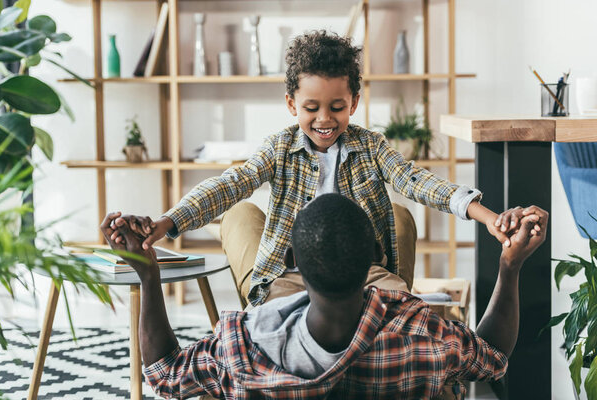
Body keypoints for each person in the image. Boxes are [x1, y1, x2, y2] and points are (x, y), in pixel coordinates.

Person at [109, 31, 537, 307]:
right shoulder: (279, 147)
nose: (324, 119)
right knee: (247, 232)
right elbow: (230, 185)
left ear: (353, 102)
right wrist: (165, 223)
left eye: (336, 107)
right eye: (311, 108)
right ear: (292, 105)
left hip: (362, 270)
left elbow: (418, 181)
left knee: (400, 287)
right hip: (293, 273)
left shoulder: (370, 146)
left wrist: (489, 217)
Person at [100, 194, 548, 399]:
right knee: (398, 215)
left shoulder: (239, 346)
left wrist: (148, 274)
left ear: (290, 259)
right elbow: (491, 355)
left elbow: (164, 374)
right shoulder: (422, 334)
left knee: (240, 215)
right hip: (388, 339)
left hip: (283, 304)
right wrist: (510, 267)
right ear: (376, 257)